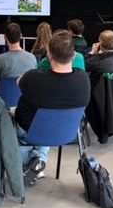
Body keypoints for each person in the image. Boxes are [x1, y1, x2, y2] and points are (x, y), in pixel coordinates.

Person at [14, 30, 90, 185]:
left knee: (10, 125)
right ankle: (39, 159)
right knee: (49, 120)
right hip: (66, 131)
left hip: (29, 130)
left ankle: (27, 164)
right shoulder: (83, 78)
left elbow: (19, 83)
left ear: (49, 55)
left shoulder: (34, 77)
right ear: (73, 55)